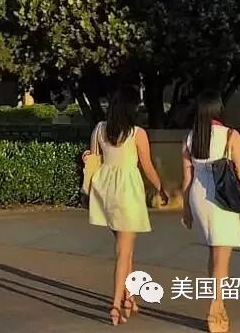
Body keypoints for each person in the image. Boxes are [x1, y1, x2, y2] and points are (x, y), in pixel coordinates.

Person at [85, 86, 168, 326]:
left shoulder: (99, 129)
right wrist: (160, 188)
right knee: (123, 252)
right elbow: (147, 166)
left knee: (126, 249)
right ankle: (115, 304)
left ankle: (130, 297)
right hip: (127, 192)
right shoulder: (137, 133)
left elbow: (93, 158)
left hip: (104, 190)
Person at [181, 90, 240, 333]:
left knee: (214, 253)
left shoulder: (191, 137)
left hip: (198, 195)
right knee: (222, 254)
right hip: (222, 195)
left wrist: (186, 208)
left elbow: (186, 178)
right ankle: (216, 307)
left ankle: (217, 302)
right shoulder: (230, 135)